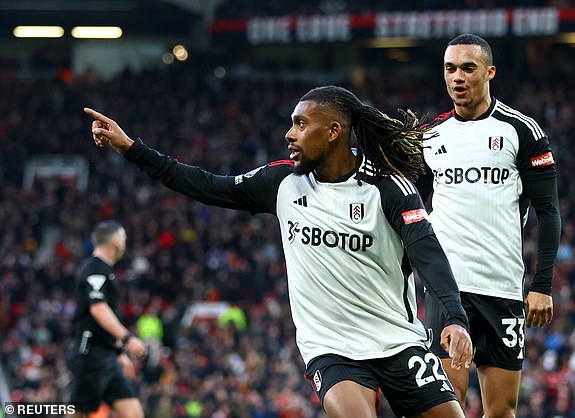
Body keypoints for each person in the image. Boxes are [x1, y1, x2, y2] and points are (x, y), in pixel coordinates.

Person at [84, 85, 473, 418]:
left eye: (301, 125)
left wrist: (454, 317)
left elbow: (429, 254)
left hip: (397, 341)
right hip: (332, 349)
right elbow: (203, 184)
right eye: (291, 123)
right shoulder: (283, 182)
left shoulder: (387, 188)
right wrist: (132, 149)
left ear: (335, 132)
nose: (290, 134)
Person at [417, 34, 561, 418]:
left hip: (502, 287)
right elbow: (411, 212)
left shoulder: (522, 131)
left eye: (468, 68)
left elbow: (549, 211)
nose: (457, 77)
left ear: (490, 72)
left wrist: (542, 285)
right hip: (448, 289)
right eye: (450, 68)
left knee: (502, 411)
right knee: (446, 406)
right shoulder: (430, 136)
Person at [68, 220, 147, 418]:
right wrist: (128, 339)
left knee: (133, 413)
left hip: (107, 355)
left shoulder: (104, 271)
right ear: (115, 241)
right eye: (124, 239)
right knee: (79, 413)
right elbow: (98, 309)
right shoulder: (95, 269)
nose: (125, 244)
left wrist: (119, 353)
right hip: (91, 355)